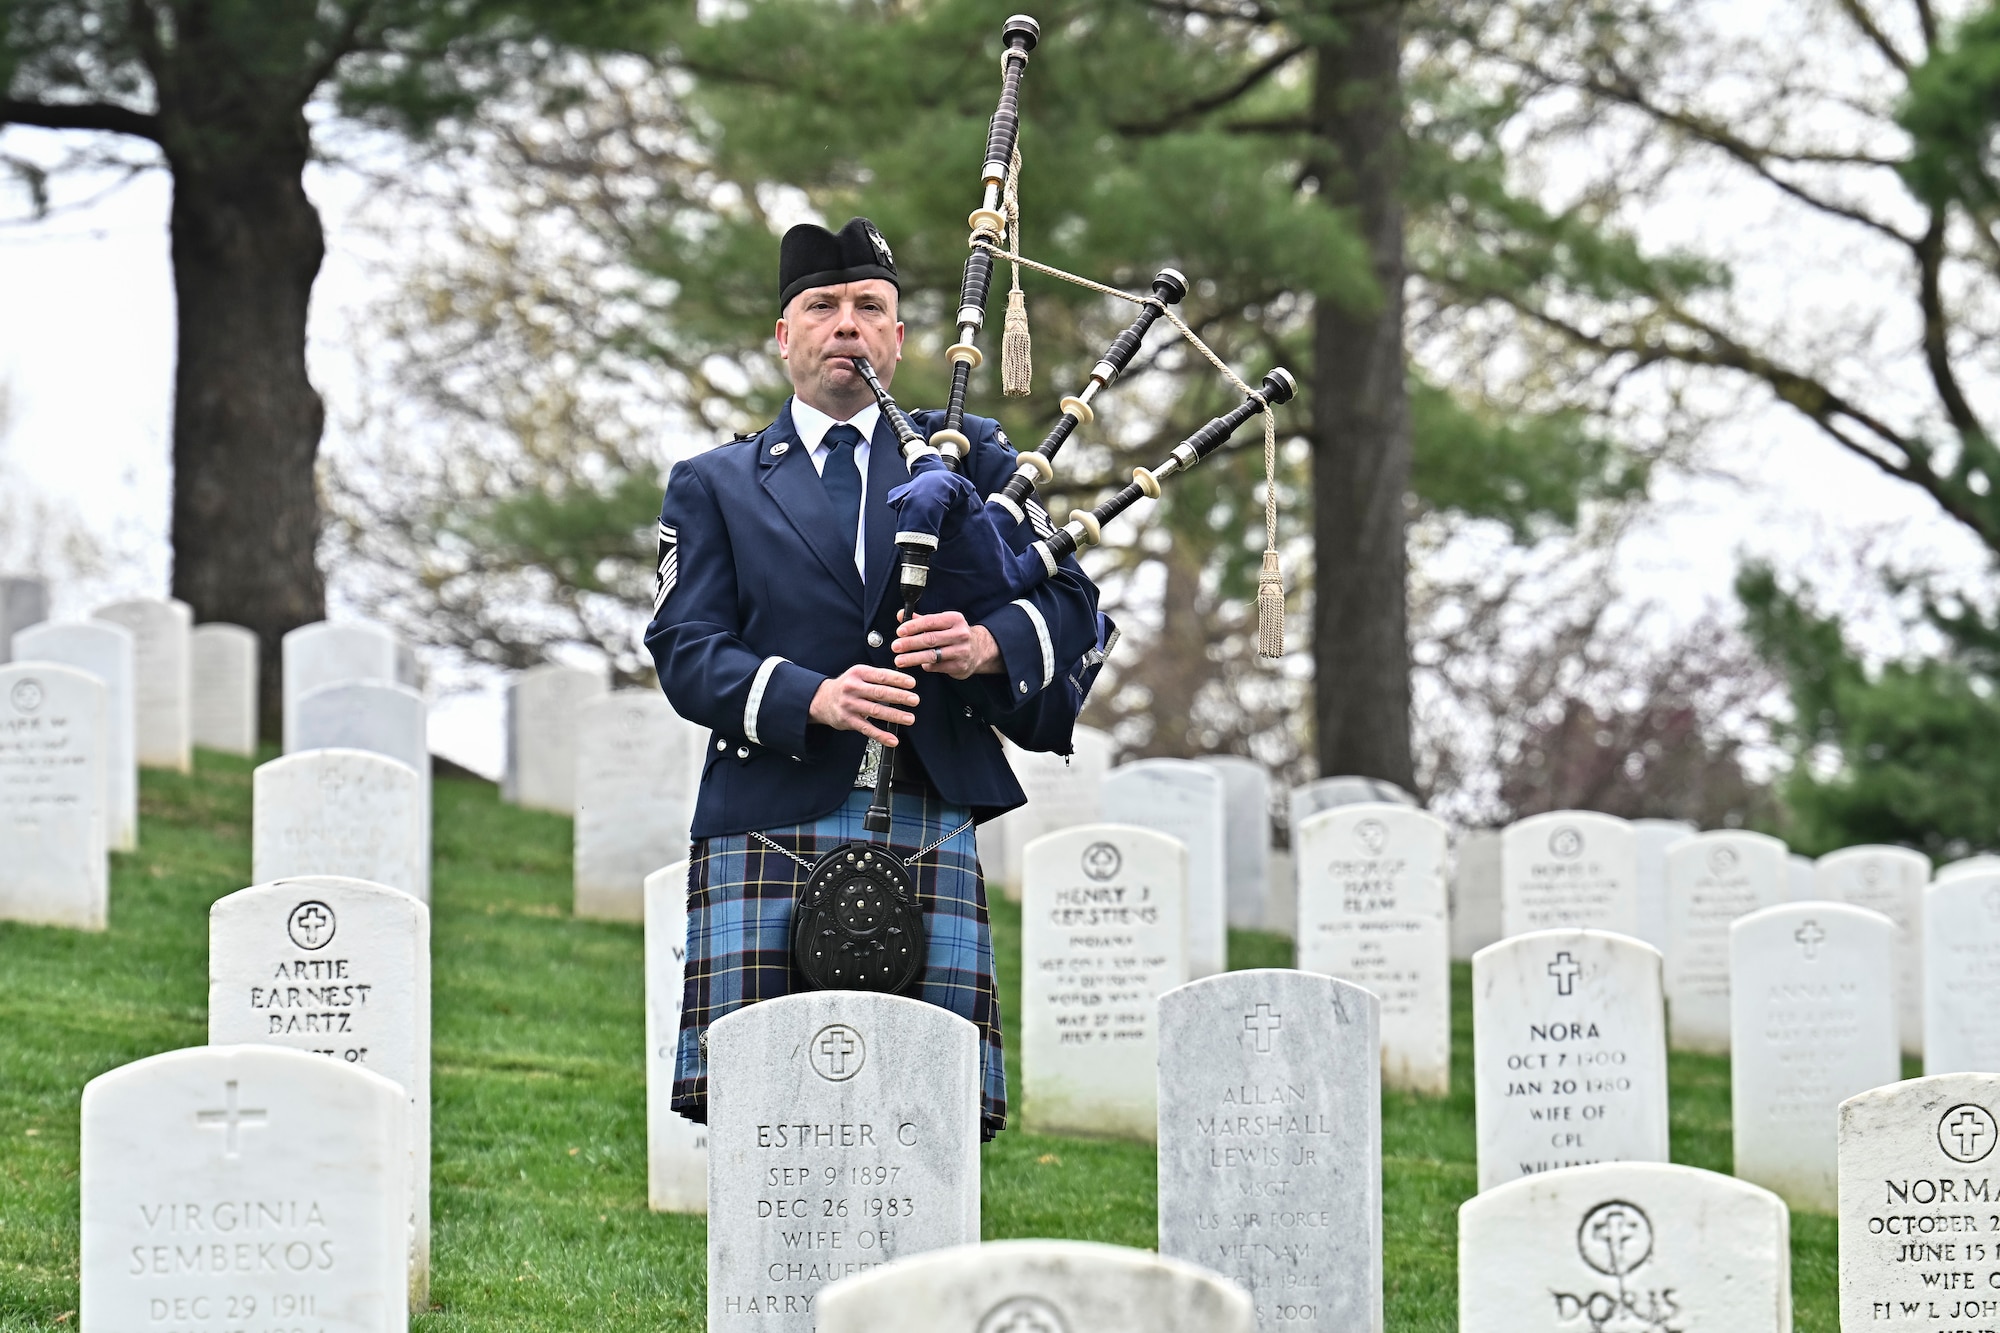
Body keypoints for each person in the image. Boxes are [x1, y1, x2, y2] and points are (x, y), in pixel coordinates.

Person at [645, 216, 1102, 1139]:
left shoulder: (973, 460)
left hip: (928, 808)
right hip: (767, 808)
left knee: (921, 1115)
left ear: (898, 338)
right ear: (785, 337)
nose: (845, 323)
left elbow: (1072, 605)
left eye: (869, 307)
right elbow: (685, 644)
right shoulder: (716, 482)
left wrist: (984, 645)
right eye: (822, 306)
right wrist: (813, 696)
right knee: (766, 1110)